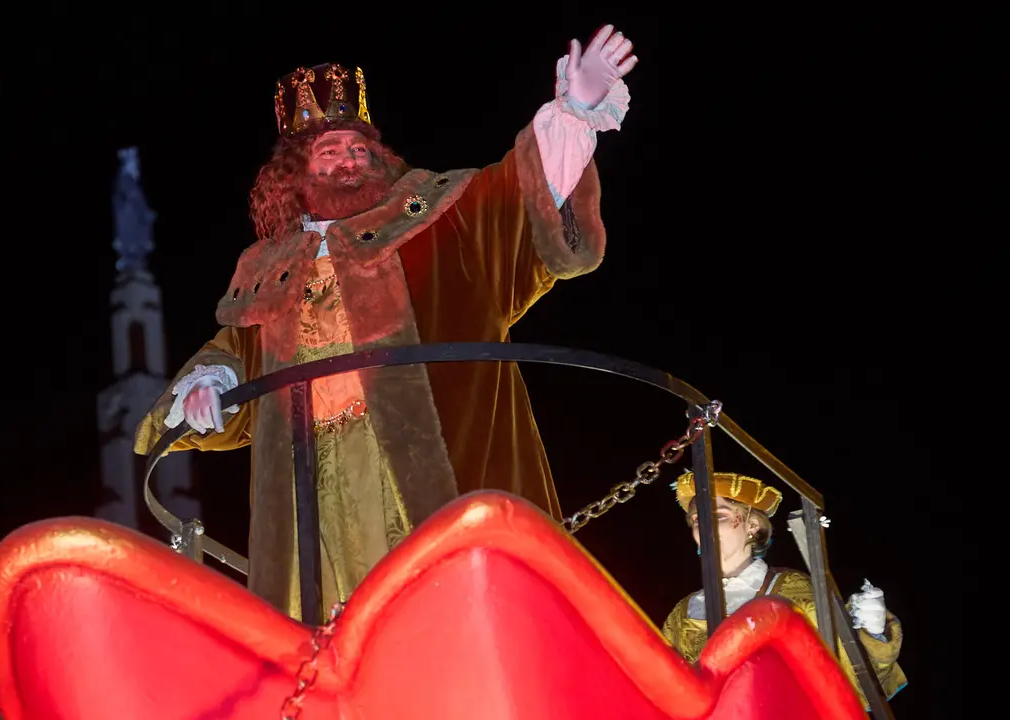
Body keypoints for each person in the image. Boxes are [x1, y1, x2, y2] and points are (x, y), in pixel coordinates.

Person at [134, 26, 637, 620]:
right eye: (330, 152)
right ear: (296, 174)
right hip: (308, 483)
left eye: (358, 150)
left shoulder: (435, 219)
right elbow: (238, 348)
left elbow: (511, 201)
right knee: (324, 630)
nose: (348, 160)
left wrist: (571, 114)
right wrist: (210, 383)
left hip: (417, 461)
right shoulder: (268, 265)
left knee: (436, 616)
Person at [661, 471, 907, 707]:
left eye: (719, 516)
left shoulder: (790, 589)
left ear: (752, 525)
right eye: (697, 519)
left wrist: (872, 632)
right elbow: (665, 688)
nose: (703, 527)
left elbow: (845, 673)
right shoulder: (684, 611)